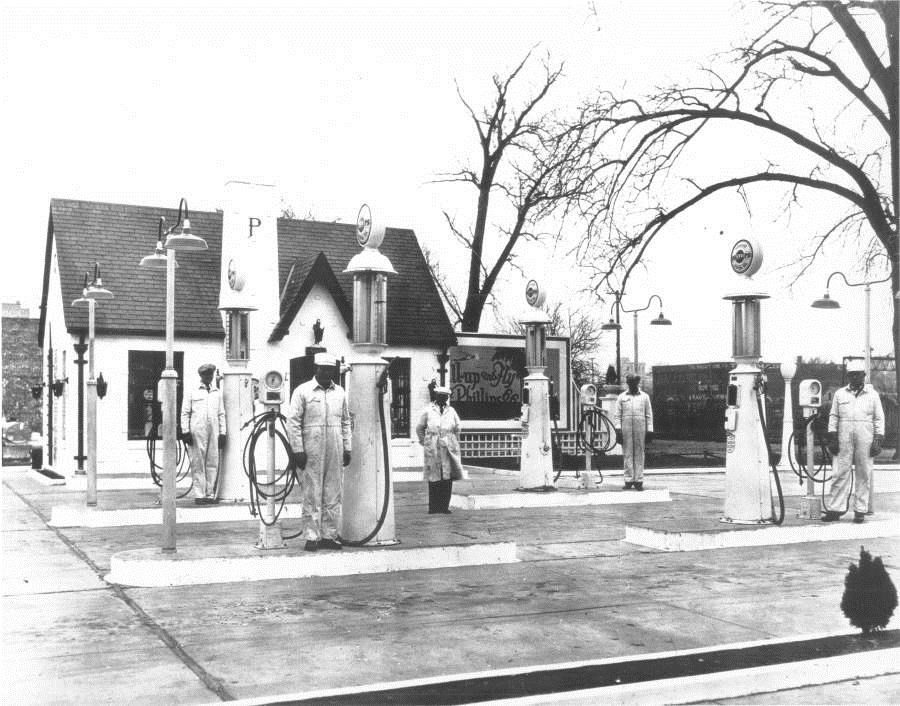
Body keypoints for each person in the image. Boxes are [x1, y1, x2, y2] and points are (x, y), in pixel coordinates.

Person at [286, 352, 352, 551]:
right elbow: (293, 422)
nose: (326, 373)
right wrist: (297, 449)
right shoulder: (302, 391)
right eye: (322, 369)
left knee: (333, 493)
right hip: (311, 448)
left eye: (330, 370)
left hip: (335, 446)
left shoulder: (340, 392)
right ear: (316, 369)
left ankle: (329, 536)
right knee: (312, 493)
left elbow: (346, 421)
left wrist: (347, 447)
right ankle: (312, 536)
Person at [822, 359, 885, 524]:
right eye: (852, 375)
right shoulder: (840, 394)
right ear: (848, 376)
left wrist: (878, 440)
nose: (855, 378)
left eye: (858, 375)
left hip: (866, 437)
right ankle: (835, 509)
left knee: (863, 473)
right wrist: (832, 438)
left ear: (864, 376)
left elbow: (879, 419)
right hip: (843, 437)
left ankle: (860, 511)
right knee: (839, 473)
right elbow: (833, 416)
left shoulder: (872, 395)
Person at [180, 363, 226, 505]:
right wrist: (185, 431)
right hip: (197, 431)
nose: (209, 377)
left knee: (212, 462)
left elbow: (221, 414)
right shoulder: (192, 391)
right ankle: (200, 494)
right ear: (201, 376)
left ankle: (209, 494)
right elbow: (185, 413)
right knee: (198, 463)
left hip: (214, 431)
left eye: (210, 375)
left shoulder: (216, 392)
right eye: (206, 375)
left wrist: (223, 433)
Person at [416, 385, 465, 514]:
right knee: (434, 476)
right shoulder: (428, 410)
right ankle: (433, 507)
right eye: (440, 396)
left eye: (445, 396)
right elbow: (419, 428)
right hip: (433, 444)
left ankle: (444, 507)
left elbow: (458, 428)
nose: (442, 398)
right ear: (436, 396)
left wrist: (453, 441)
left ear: (447, 397)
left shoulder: (452, 411)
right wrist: (425, 442)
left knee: (447, 476)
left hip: (448, 445)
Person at [613, 373, 654, 490]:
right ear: (627, 383)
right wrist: (618, 430)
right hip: (626, 428)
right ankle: (628, 480)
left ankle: (639, 480)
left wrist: (650, 430)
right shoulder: (621, 397)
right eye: (630, 382)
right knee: (627, 453)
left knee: (640, 453)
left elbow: (649, 415)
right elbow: (617, 415)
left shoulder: (644, 397)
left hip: (640, 427)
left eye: (634, 382)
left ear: (638, 382)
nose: (632, 384)